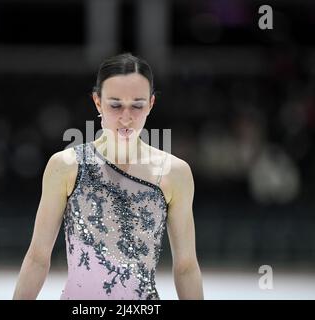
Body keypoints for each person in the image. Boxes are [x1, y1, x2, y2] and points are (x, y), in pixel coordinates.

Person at [13, 53, 203, 300]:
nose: (126, 117)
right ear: (97, 102)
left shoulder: (174, 172)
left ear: (151, 104)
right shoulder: (67, 165)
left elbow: (186, 266)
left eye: (137, 105)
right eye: (115, 105)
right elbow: (38, 257)